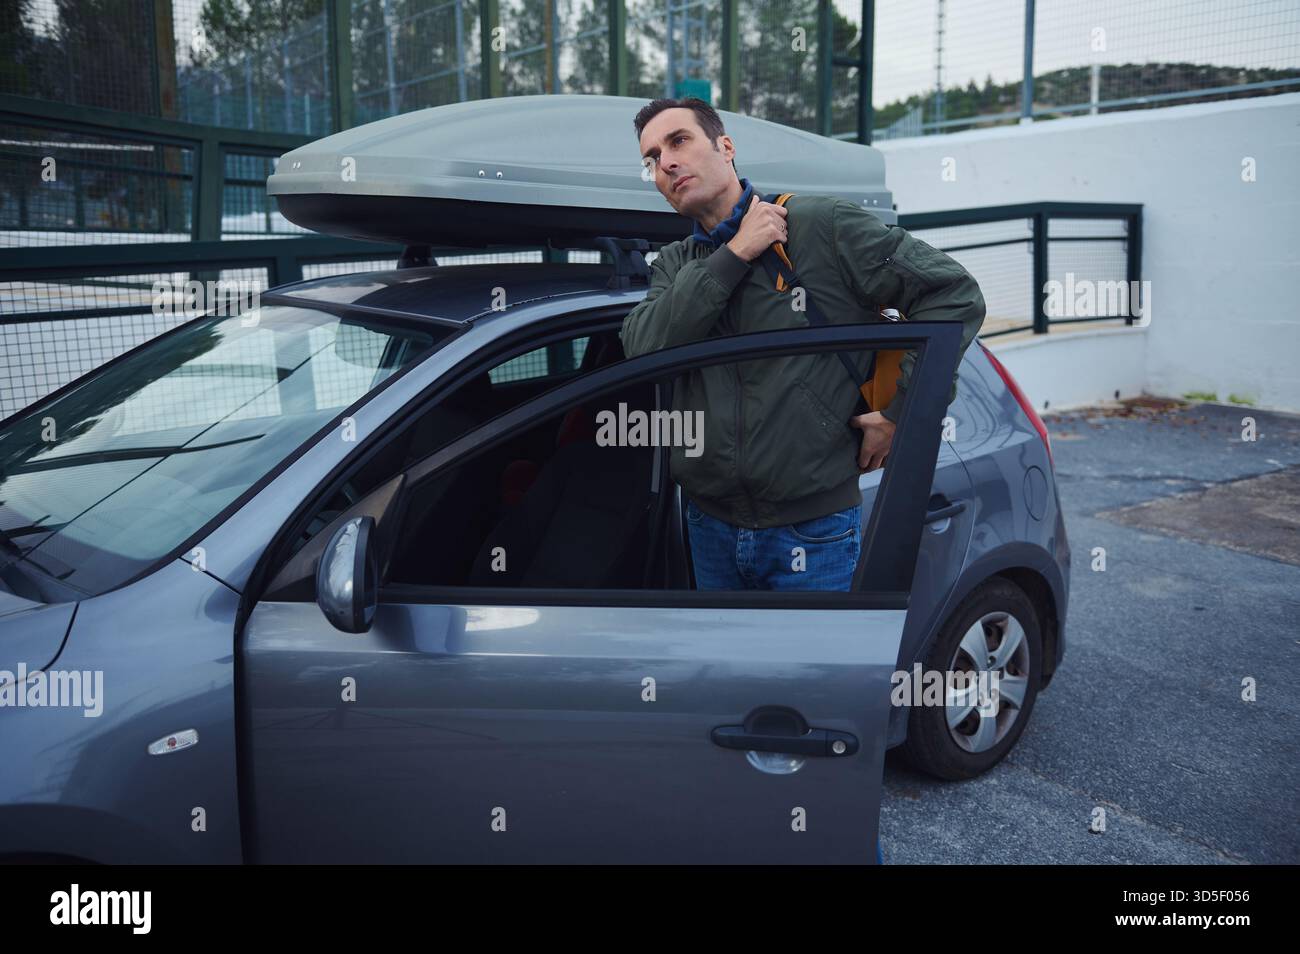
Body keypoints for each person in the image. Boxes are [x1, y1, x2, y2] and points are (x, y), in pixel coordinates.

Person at [623, 97, 985, 592]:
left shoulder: (820, 226)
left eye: (679, 141)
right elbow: (643, 349)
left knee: (816, 671)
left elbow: (953, 294)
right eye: (651, 158)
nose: (665, 162)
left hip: (813, 532)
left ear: (725, 146)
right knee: (732, 672)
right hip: (708, 526)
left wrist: (902, 413)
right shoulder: (673, 264)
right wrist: (734, 253)